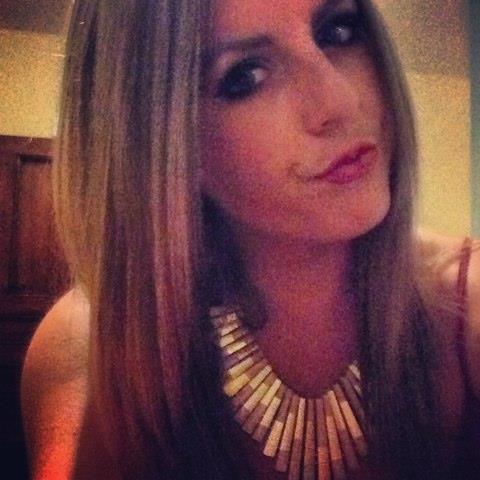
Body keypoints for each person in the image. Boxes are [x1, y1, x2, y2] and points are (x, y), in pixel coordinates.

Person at [21, 0, 480, 479]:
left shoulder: (465, 303)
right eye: (245, 76)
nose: (340, 101)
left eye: (338, 31)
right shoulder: (88, 347)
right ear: (153, 142)